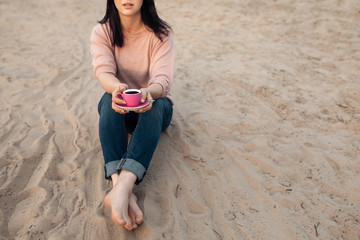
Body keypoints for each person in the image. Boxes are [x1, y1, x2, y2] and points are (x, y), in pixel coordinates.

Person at [90, 0, 174, 231]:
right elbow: (103, 72)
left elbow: (163, 81)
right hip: (120, 108)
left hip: (155, 109)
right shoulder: (103, 31)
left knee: (157, 105)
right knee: (107, 99)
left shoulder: (161, 34)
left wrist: (149, 92)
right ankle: (121, 188)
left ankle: (123, 183)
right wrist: (117, 88)